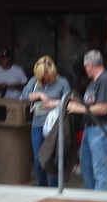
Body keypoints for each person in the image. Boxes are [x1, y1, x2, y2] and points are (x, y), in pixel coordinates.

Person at [67, 50, 107, 191]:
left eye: (85, 66)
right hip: (90, 128)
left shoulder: (105, 80)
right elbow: (91, 105)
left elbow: (103, 108)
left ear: (90, 65)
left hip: (101, 129)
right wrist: (77, 101)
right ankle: (91, 197)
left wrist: (79, 108)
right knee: (86, 166)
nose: (85, 69)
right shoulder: (94, 82)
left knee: (100, 169)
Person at [21, 55, 73, 187]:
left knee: (51, 158)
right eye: (41, 75)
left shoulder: (62, 82)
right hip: (37, 124)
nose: (44, 78)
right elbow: (23, 96)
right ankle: (41, 186)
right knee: (39, 159)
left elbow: (70, 101)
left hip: (55, 126)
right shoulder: (35, 81)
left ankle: (54, 187)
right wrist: (39, 95)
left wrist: (54, 103)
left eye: (46, 75)